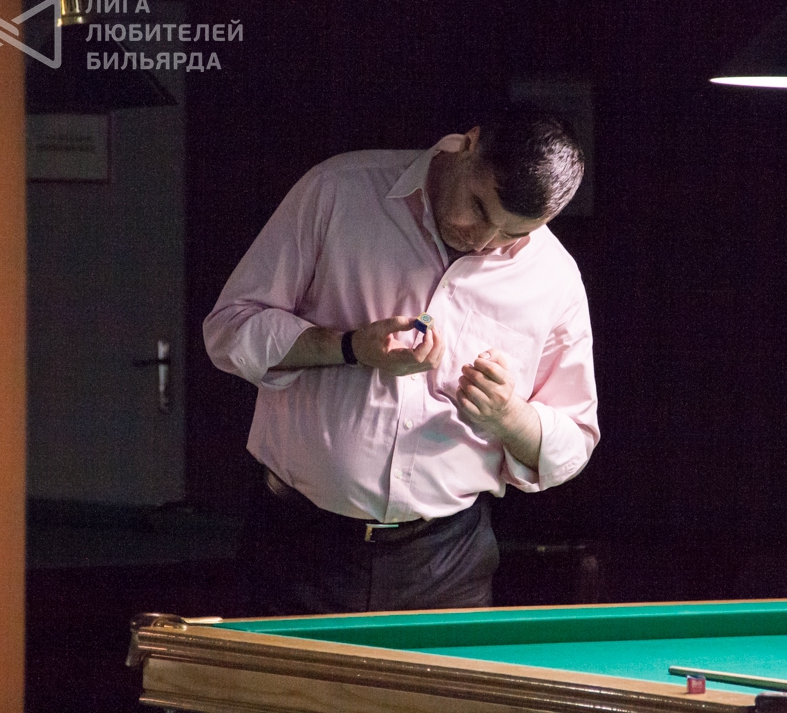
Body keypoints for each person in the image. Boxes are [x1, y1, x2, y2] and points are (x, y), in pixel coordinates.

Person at [203, 108, 600, 615]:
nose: (483, 240)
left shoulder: (554, 276)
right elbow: (229, 331)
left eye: (511, 235)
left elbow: (574, 443)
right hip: (298, 549)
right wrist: (347, 347)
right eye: (479, 208)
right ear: (468, 144)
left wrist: (510, 417)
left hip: (448, 565)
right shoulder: (337, 191)